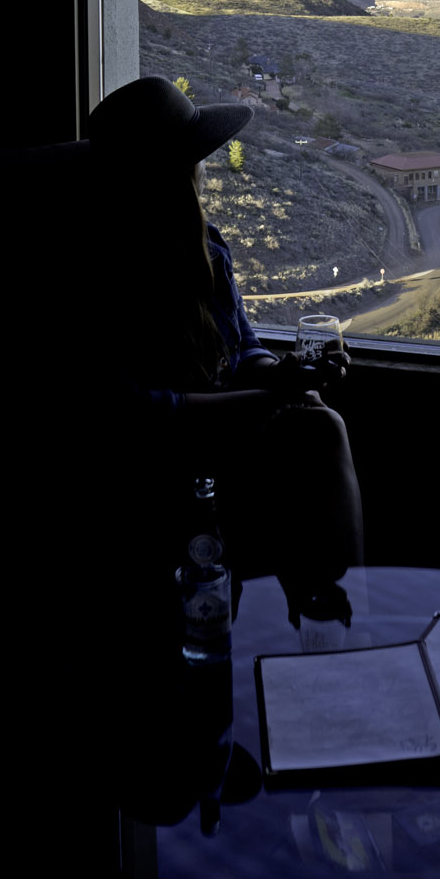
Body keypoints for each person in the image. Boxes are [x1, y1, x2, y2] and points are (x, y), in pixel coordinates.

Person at [93, 76, 364, 605]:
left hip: (226, 419)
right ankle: (333, 626)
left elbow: (242, 348)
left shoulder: (206, 247)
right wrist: (265, 398)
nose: (201, 171)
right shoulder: (102, 280)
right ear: (168, 176)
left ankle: (334, 619)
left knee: (320, 418)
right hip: (164, 452)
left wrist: (284, 374)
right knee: (318, 432)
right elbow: (136, 412)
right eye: (192, 160)